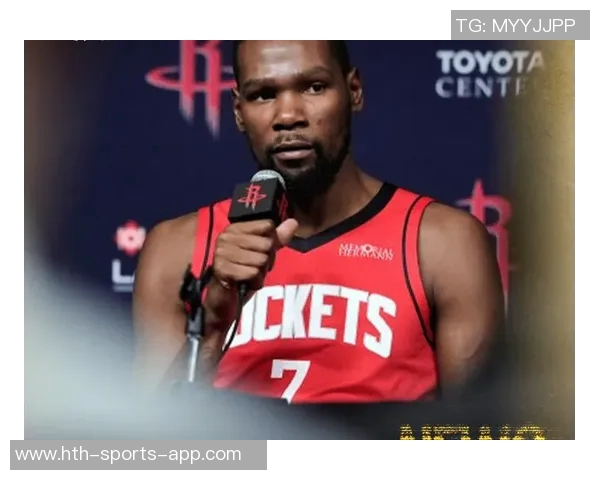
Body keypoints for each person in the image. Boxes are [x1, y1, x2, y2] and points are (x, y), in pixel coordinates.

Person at [133, 40, 504, 405]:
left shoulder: (441, 242)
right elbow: (151, 434)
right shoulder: (177, 249)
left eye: (313, 87)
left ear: (353, 90)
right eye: (263, 94)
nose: (288, 116)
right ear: (238, 110)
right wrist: (213, 324)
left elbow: (476, 432)